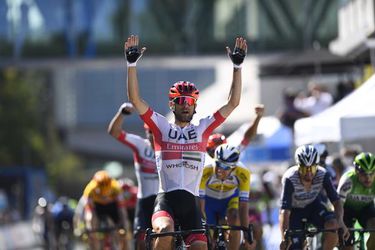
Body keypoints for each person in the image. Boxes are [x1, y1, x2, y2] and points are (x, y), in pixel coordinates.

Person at [124, 34, 247, 250]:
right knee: (164, 231)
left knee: (201, 247)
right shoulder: (161, 127)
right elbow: (136, 100)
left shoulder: (202, 129)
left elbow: (233, 103)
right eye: (180, 101)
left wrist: (237, 68)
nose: (186, 105)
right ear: (172, 105)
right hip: (166, 202)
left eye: (190, 101)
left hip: (191, 205)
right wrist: (131, 64)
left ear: (195, 105)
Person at [108, 102, 158, 250]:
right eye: (150, 133)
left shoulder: (169, 146)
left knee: (166, 238)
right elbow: (114, 132)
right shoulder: (140, 145)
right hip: (144, 200)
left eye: (155, 134)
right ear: (146, 133)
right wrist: (121, 114)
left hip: (163, 199)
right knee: (140, 241)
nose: (152, 138)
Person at [279, 144, 349, 250]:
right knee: (292, 246)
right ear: (298, 166)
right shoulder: (289, 178)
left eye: (312, 168)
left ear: (317, 165)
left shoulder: (323, 174)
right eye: (304, 168)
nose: (308, 173)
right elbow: (285, 212)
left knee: (333, 224)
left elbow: (336, 201)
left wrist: (341, 222)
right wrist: (284, 237)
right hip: (294, 210)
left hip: (313, 205)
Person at [199, 144, 255, 250]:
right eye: (218, 164)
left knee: (235, 218)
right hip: (208, 202)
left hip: (229, 200)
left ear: (233, 168)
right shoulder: (205, 170)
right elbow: (200, 204)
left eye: (225, 167)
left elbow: (243, 206)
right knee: (207, 238)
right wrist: (203, 228)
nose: (220, 169)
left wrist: (247, 233)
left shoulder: (243, 173)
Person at [337, 152, 375, 250]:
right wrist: (340, 223)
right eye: (364, 173)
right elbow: (338, 204)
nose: (368, 178)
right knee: (348, 245)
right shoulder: (348, 181)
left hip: (366, 209)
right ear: (356, 171)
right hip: (346, 210)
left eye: (372, 173)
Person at [82, 170, 128, 250]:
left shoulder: (115, 187)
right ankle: (94, 244)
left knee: (122, 223)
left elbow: (121, 208)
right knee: (91, 219)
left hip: (111, 205)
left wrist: (123, 224)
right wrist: (90, 227)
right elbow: (89, 209)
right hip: (97, 206)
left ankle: (119, 243)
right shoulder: (90, 189)